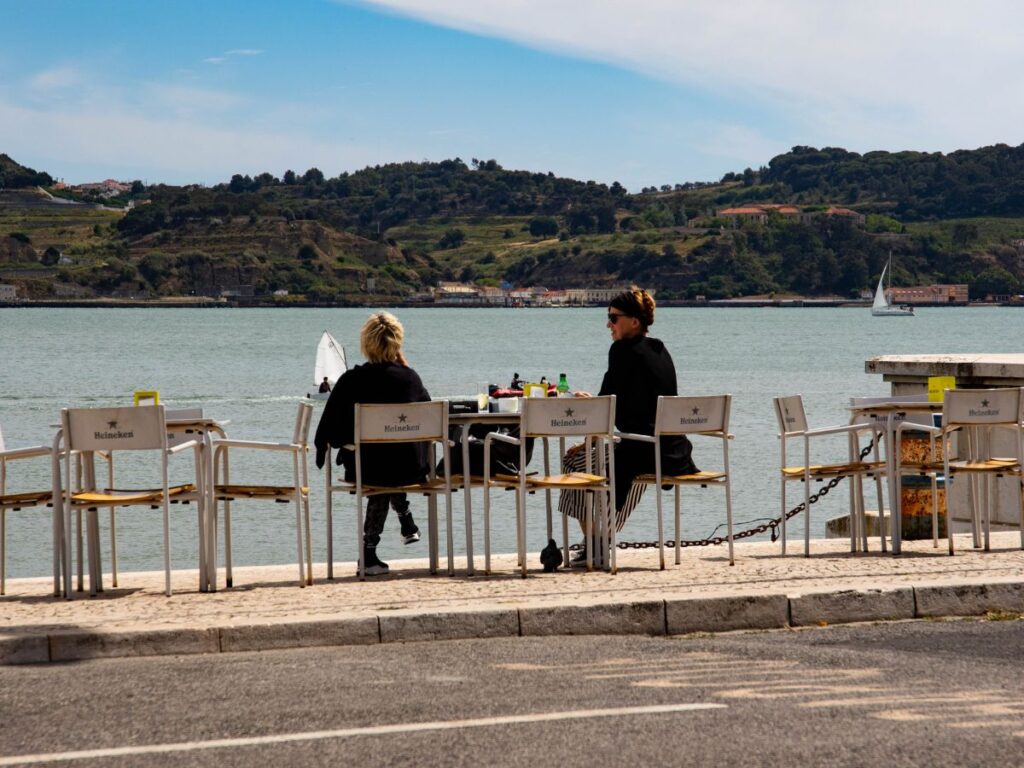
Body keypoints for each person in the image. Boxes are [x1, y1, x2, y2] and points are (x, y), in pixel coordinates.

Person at [560, 287, 697, 564]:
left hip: (640, 449)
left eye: (613, 317)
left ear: (634, 322)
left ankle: (596, 543)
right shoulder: (660, 349)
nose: (608, 324)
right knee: (618, 459)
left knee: (574, 462)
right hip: (672, 451)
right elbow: (634, 406)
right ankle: (600, 540)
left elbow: (605, 409)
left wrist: (588, 434)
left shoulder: (621, 351)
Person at [314, 312, 427, 576]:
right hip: (410, 467)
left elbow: (332, 430)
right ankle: (405, 521)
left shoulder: (352, 380)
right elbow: (427, 414)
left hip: (369, 468)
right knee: (389, 462)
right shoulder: (411, 378)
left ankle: (369, 552)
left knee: (380, 466)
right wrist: (406, 367)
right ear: (398, 343)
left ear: (366, 343)